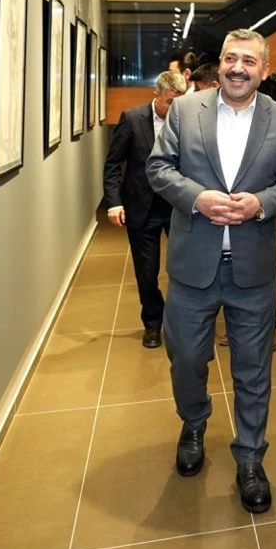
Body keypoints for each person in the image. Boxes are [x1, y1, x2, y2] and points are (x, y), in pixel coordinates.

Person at [146, 29, 276, 514]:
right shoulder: (184, 110)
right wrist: (197, 198)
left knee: (253, 369)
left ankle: (251, 459)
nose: (238, 68)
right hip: (192, 266)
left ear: (265, 70)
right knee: (187, 359)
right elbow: (159, 168)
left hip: (252, 269)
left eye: (249, 61)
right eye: (231, 59)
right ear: (218, 64)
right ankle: (194, 422)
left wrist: (260, 203)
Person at [104, 70, 186, 348]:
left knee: (184, 269)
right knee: (147, 273)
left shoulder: (188, 121)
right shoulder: (132, 119)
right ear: (157, 94)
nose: (175, 107)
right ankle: (152, 323)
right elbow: (113, 164)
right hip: (142, 207)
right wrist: (114, 202)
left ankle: (183, 322)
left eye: (180, 101)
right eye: (170, 101)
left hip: (177, 206)